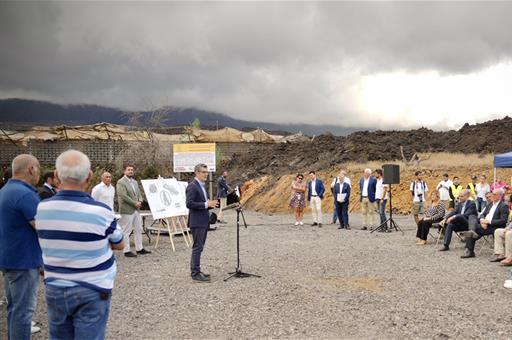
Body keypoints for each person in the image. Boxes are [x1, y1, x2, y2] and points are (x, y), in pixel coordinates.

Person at [35, 150, 125, 340]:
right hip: (92, 287)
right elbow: (120, 244)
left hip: (55, 286)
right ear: (90, 176)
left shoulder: (42, 208)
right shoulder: (101, 211)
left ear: (57, 176)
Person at [0, 154, 42, 340]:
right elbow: (42, 227)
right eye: (38, 168)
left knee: (14, 309)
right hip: (24, 262)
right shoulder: (25, 194)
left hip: (10, 259)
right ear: (31, 169)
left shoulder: (6, 190)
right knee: (24, 313)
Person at [186, 163, 218, 282]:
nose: (206, 174)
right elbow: (189, 204)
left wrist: (210, 205)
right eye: (203, 172)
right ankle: (195, 273)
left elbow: (202, 204)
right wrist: (206, 204)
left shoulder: (201, 186)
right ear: (197, 173)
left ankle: (197, 270)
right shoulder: (192, 186)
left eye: (207, 172)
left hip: (203, 221)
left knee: (200, 247)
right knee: (197, 247)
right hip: (197, 222)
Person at [460, 189, 509, 258]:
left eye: (495, 194)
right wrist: (482, 220)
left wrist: (488, 222)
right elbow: (482, 214)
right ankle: (472, 231)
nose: (492, 195)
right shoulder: (490, 204)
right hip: (484, 224)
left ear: (500, 196)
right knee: (472, 216)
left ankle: (470, 251)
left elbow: (503, 221)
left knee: (474, 228)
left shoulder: (503, 206)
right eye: (492, 194)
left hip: (494, 227)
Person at [116, 165, 151, 257]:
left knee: (138, 229)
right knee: (126, 231)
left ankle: (139, 248)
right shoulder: (121, 182)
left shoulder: (135, 182)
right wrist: (134, 203)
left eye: (132, 170)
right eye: (129, 170)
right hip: (127, 209)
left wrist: (139, 201)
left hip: (136, 209)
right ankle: (126, 250)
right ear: (124, 171)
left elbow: (139, 193)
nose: (131, 171)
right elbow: (123, 195)